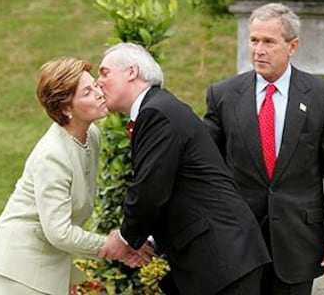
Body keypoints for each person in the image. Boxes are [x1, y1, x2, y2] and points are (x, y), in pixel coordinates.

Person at [203, 3, 324, 295]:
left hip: (298, 243)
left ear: (292, 46)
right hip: (238, 243)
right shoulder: (222, 95)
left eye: (269, 42)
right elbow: (206, 169)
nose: (259, 50)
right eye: (254, 40)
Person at [95, 42, 271, 295]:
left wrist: (124, 238)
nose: (98, 82)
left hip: (222, 261)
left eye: (104, 72)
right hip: (217, 260)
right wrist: (149, 240)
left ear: (131, 71)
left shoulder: (156, 113)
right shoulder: (158, 107)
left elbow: (150, 189)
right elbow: (174, 188)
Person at [0, 57, 152, 295]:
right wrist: (111, 246)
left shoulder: (91, 135)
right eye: (87, 92)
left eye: (95, 85)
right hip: (20, 264)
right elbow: (59, 232)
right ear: (65, 108)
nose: (99, 93)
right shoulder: (52, 155)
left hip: (51, 260)